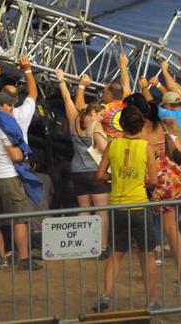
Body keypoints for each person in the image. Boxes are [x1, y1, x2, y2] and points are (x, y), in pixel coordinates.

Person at [94, 106, 160, 312]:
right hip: (139, 203)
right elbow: (153, 180)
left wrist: (114, 177)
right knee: (147, 255)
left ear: (122, 125)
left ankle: (105, 295)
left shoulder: (112, 145)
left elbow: (100, 175)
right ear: (140, 125)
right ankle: (150, 301)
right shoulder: (146, 147)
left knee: (116, 254)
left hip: (117, 205)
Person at [126, 88, 181, 282]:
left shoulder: (135, 131)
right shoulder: (162, 126)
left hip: (145, 180)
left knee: (143, 228)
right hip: (166, 178)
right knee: (171, 228)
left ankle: (146, 272)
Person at [0, 91, 42, 270]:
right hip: (7, 176)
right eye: (9, 105)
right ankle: (23, 258)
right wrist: (24, 154)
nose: (12, 109)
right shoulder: (2, 125)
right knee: (20, 219)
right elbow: (15, 156)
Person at [55, 69, 110, 255]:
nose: (102, 117)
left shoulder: (73, 120)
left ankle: (85, 246)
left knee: (84, 210)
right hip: (94, 171)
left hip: (77, 170)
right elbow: (104, 149)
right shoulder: (95, 126)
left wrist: (61, 80)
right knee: (102, 211)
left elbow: (66, 100)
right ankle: (101, 247)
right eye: (101, 113)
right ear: (94, 113)